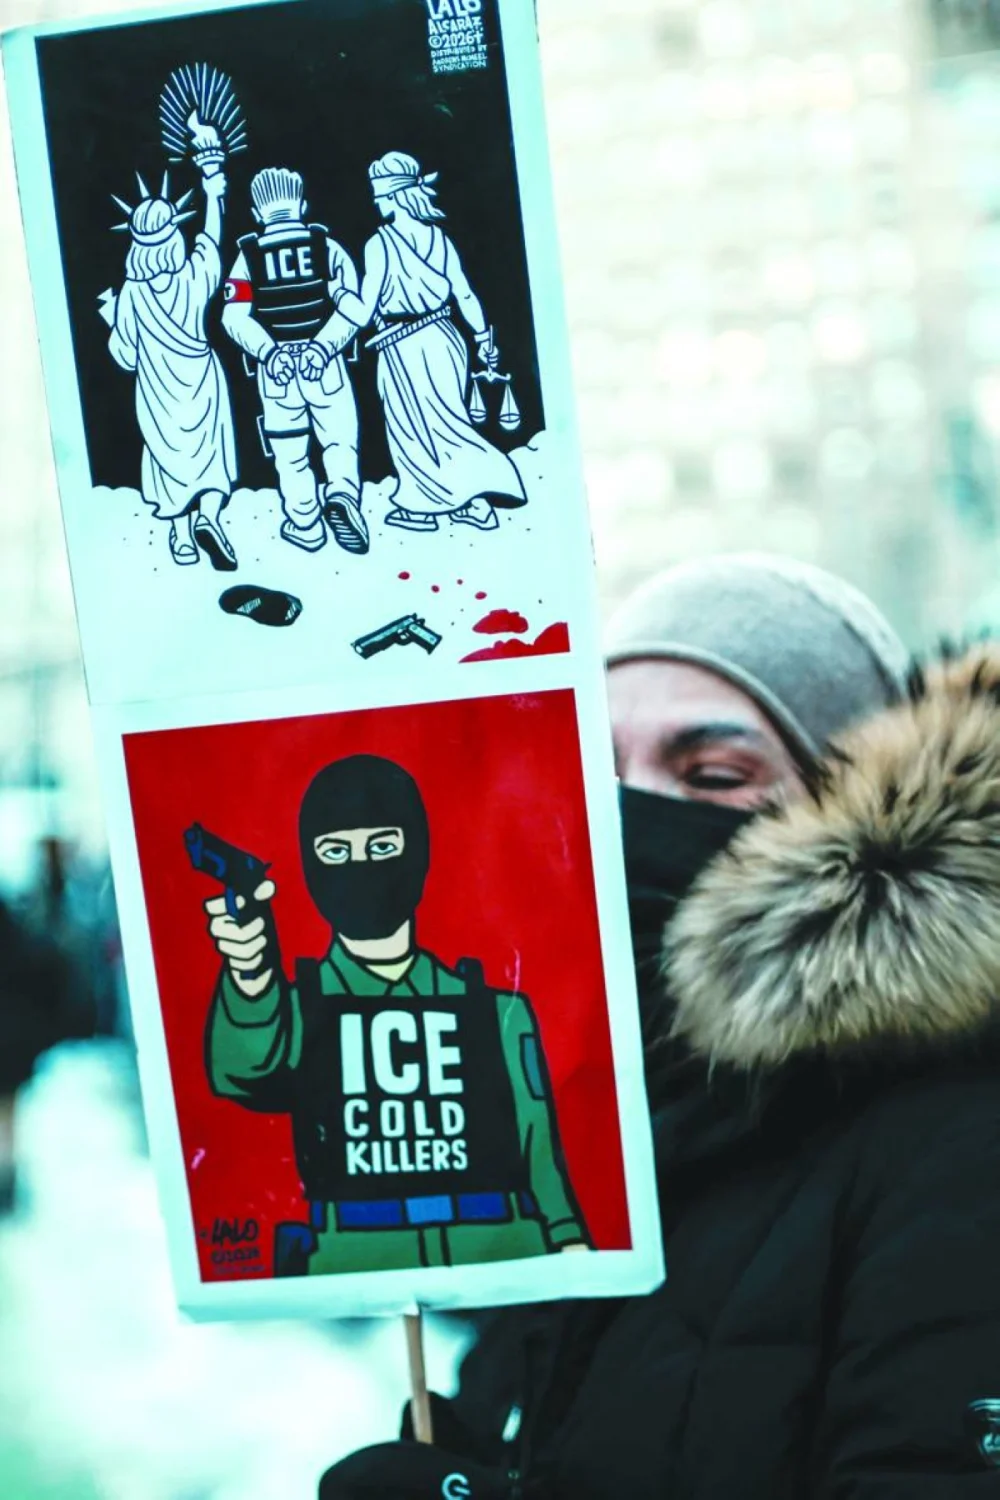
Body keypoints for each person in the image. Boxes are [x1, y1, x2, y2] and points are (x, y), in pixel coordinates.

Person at [319, 553, 1000, 1498]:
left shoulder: (959, 1148)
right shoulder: (578, 1113)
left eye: (713, 772)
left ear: (858, 820)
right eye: (590, 771)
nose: (627, 814)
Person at [201, 753, 589, 1275]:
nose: (362, 867)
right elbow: (243, 1072)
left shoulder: (498, 1014)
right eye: (335, 851)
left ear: (419, 853)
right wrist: (251, 980)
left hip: (507, 1259)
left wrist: (568, 1243)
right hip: (350, 1260)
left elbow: (538, 1147)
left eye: (383, 846)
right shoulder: (292, 1013)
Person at [331, 151, 527, 534]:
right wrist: (483, 337)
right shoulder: (439, 238)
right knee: (447, 419)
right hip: (447, 339)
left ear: (392, 195)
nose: (374, 201)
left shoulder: (379, 243)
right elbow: (465, 295)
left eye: (378, 194)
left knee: (413, 428)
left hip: (402, 346)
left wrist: (338, 291)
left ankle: (422, 508)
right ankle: (472, 502)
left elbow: (364, 310)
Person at [102, 147, 239, 571]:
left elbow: (125, 356)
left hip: (157, 389)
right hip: (202, 378)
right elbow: (212, 241)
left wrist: (110, 316)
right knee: (213, 456)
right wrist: (213, 195)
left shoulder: (131, 295)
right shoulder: (193, 276)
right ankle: (210, 519)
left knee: (167, 462)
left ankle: (181, 536)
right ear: (175, 234)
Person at [221, 167, 368, 556]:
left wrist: (268, 351)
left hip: (276, 372)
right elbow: (353, 308)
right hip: (327, 365)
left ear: (256, 213)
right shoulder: (326, 247)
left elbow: (232, 317)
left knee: (290, 451)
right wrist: (322, 347)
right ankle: (342, 496)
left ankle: (305, 523)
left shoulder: (247, 257)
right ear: (302, 205)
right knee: (338, 440)